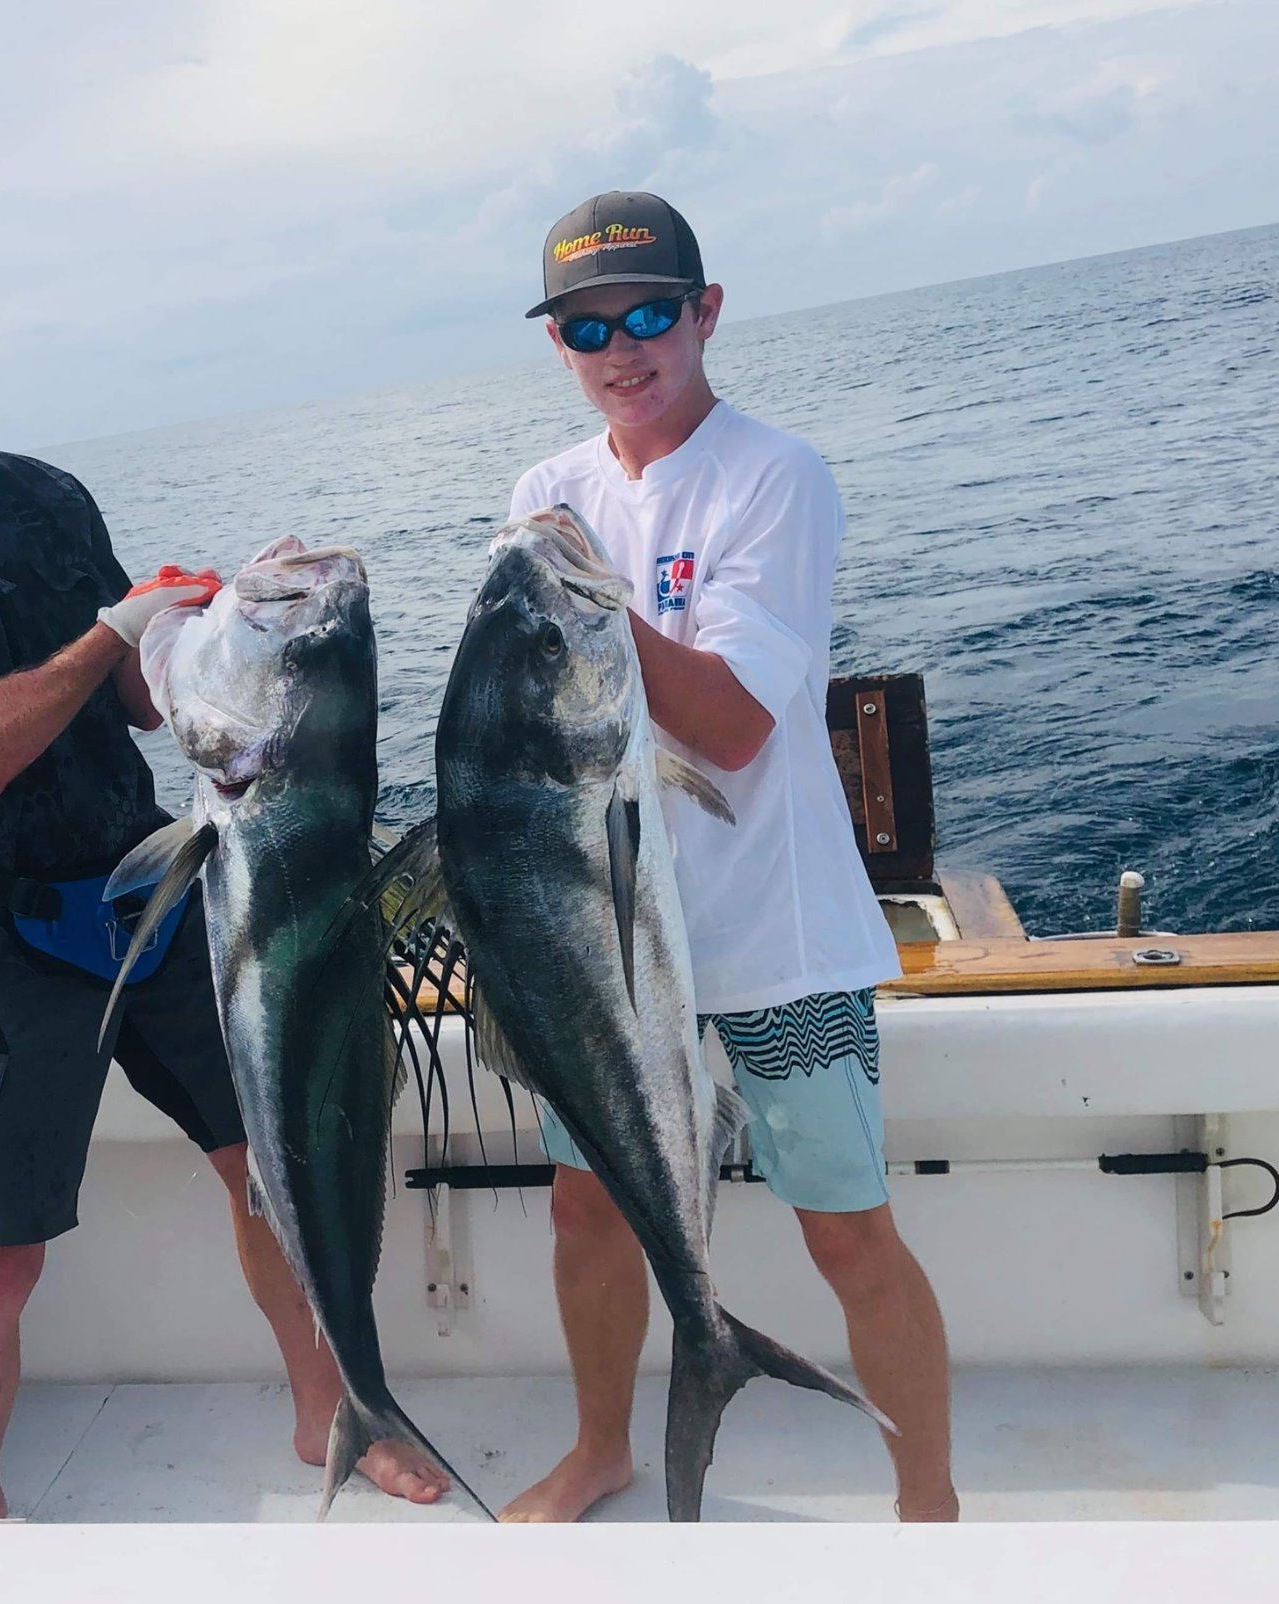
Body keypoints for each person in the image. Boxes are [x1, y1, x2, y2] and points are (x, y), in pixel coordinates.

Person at [0, 229, 448, 1517]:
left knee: (268, 1171)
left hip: (154, 889)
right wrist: (108, 631)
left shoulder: (46, 495)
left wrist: (222, 635)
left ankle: (334, 1418)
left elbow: (140, 702)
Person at [499, 193, 956, 1524]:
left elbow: (740, 724)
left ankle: (930, 1510)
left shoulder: (776, 476)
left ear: (705, 312)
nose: (621, 348)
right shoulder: (544, 496)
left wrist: (586, 602)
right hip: (607, 945)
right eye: (588, 327)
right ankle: (602, 1450)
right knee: (586, 1214)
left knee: (847, 1233)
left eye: (648, 313)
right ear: (559, 345)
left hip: (776, 937)